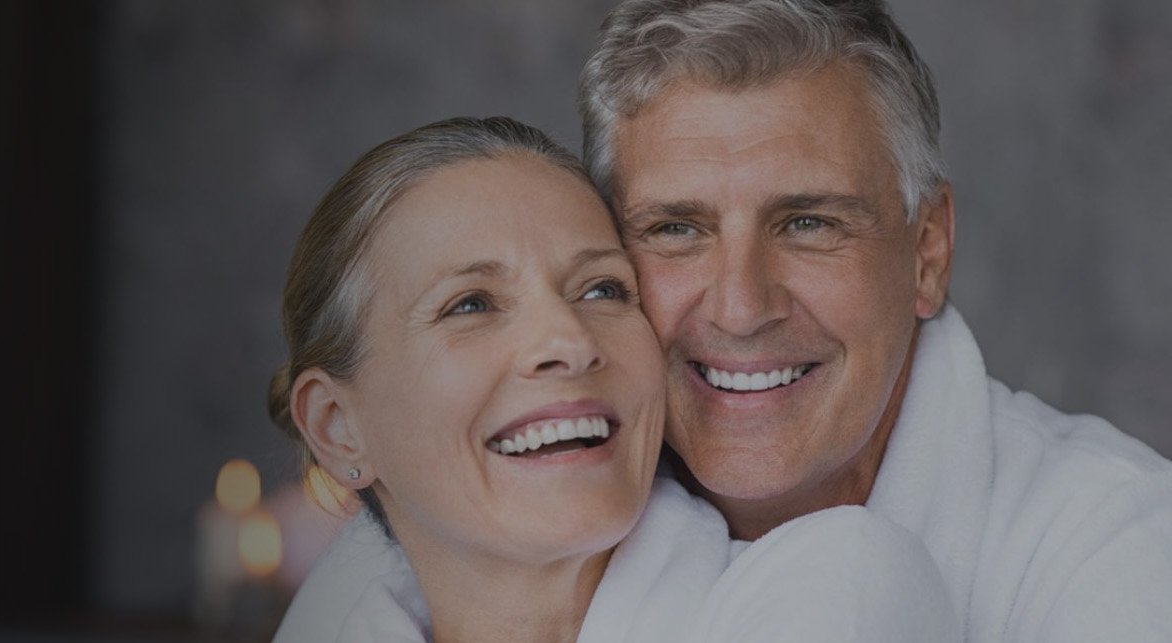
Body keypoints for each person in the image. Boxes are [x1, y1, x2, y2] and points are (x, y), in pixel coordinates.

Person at [280, 1, 1172, 641]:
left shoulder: (1119, 554)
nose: (741, 306)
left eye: (810, 223)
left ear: (927, 251)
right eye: (675, 230)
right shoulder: (396, 577)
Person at [269, 116, 957, 642]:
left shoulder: (838, 592)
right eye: (471, 304)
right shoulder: (332, 616)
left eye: (602, 289)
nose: (568, 340)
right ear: (337, 427)